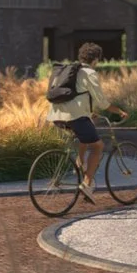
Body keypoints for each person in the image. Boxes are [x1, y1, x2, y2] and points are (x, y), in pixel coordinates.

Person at [44, 43, 109, 201]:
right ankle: (86, 184)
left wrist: (89, 112)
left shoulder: (70, 71)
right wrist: (118, 111)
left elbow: (76, 95)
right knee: (98, 146)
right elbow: (101, 102)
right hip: (75, 116)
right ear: (95, 59)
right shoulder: (89, 72)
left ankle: (81, 164)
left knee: (84, 132)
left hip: (57, 116)